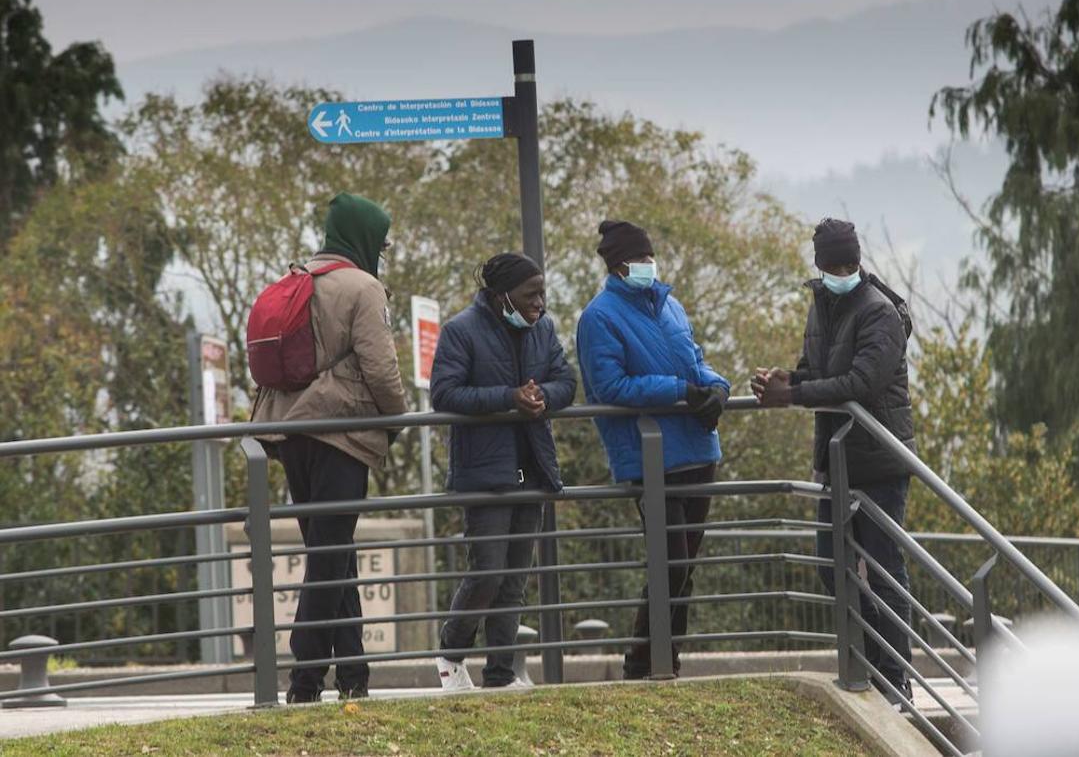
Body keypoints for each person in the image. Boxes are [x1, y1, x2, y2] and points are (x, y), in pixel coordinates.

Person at [750, 217, 917, 706]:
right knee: (830, 562)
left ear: (858, 261)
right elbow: (819, 371)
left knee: (885, 570)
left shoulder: (878, 311)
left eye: (848, 263)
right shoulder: (821, 306)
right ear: (820, 266)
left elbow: (861, 383)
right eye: (832, 264)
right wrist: (787, 377)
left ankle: (897, 676)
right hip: (837, 460)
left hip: (879, 461)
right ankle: (874, 658)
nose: (841, 270)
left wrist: (795, 393)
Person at [252, 192, 408, 704]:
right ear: (364, 237)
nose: (381, 252)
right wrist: (398, 418)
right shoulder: (364, 287)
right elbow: (381, 368)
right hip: (341, 434)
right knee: (329, 555)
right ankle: (305, 677)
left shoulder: (296, 279)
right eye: (380, 242)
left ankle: (354, 673)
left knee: (334, 553)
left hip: (291, 435)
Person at [576, 219, 730, 680]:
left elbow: (697, 361)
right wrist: (681, 391)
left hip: (698, 451)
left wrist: (716, 388)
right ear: (619, 265)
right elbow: (609, 385)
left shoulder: (671, 307)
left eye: (649, 257)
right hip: (652, 456)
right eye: (639, 259)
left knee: (683, 570)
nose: (648, 265)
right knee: (671, 565)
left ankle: (667, 661)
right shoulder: (599, 317)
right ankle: (643, 663)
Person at [430, 252, 577, 691]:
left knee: (514, 580)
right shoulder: (461, 330)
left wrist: (541, 397)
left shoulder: (543, 329)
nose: (540, 304)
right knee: (487, 572)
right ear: (501, 296)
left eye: (543, 294)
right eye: (531, 295)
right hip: (484, 472)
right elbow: (445, 394)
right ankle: (451, 655)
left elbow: (566, 381)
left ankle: (499, 674)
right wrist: (507, 398)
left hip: (531, 467)